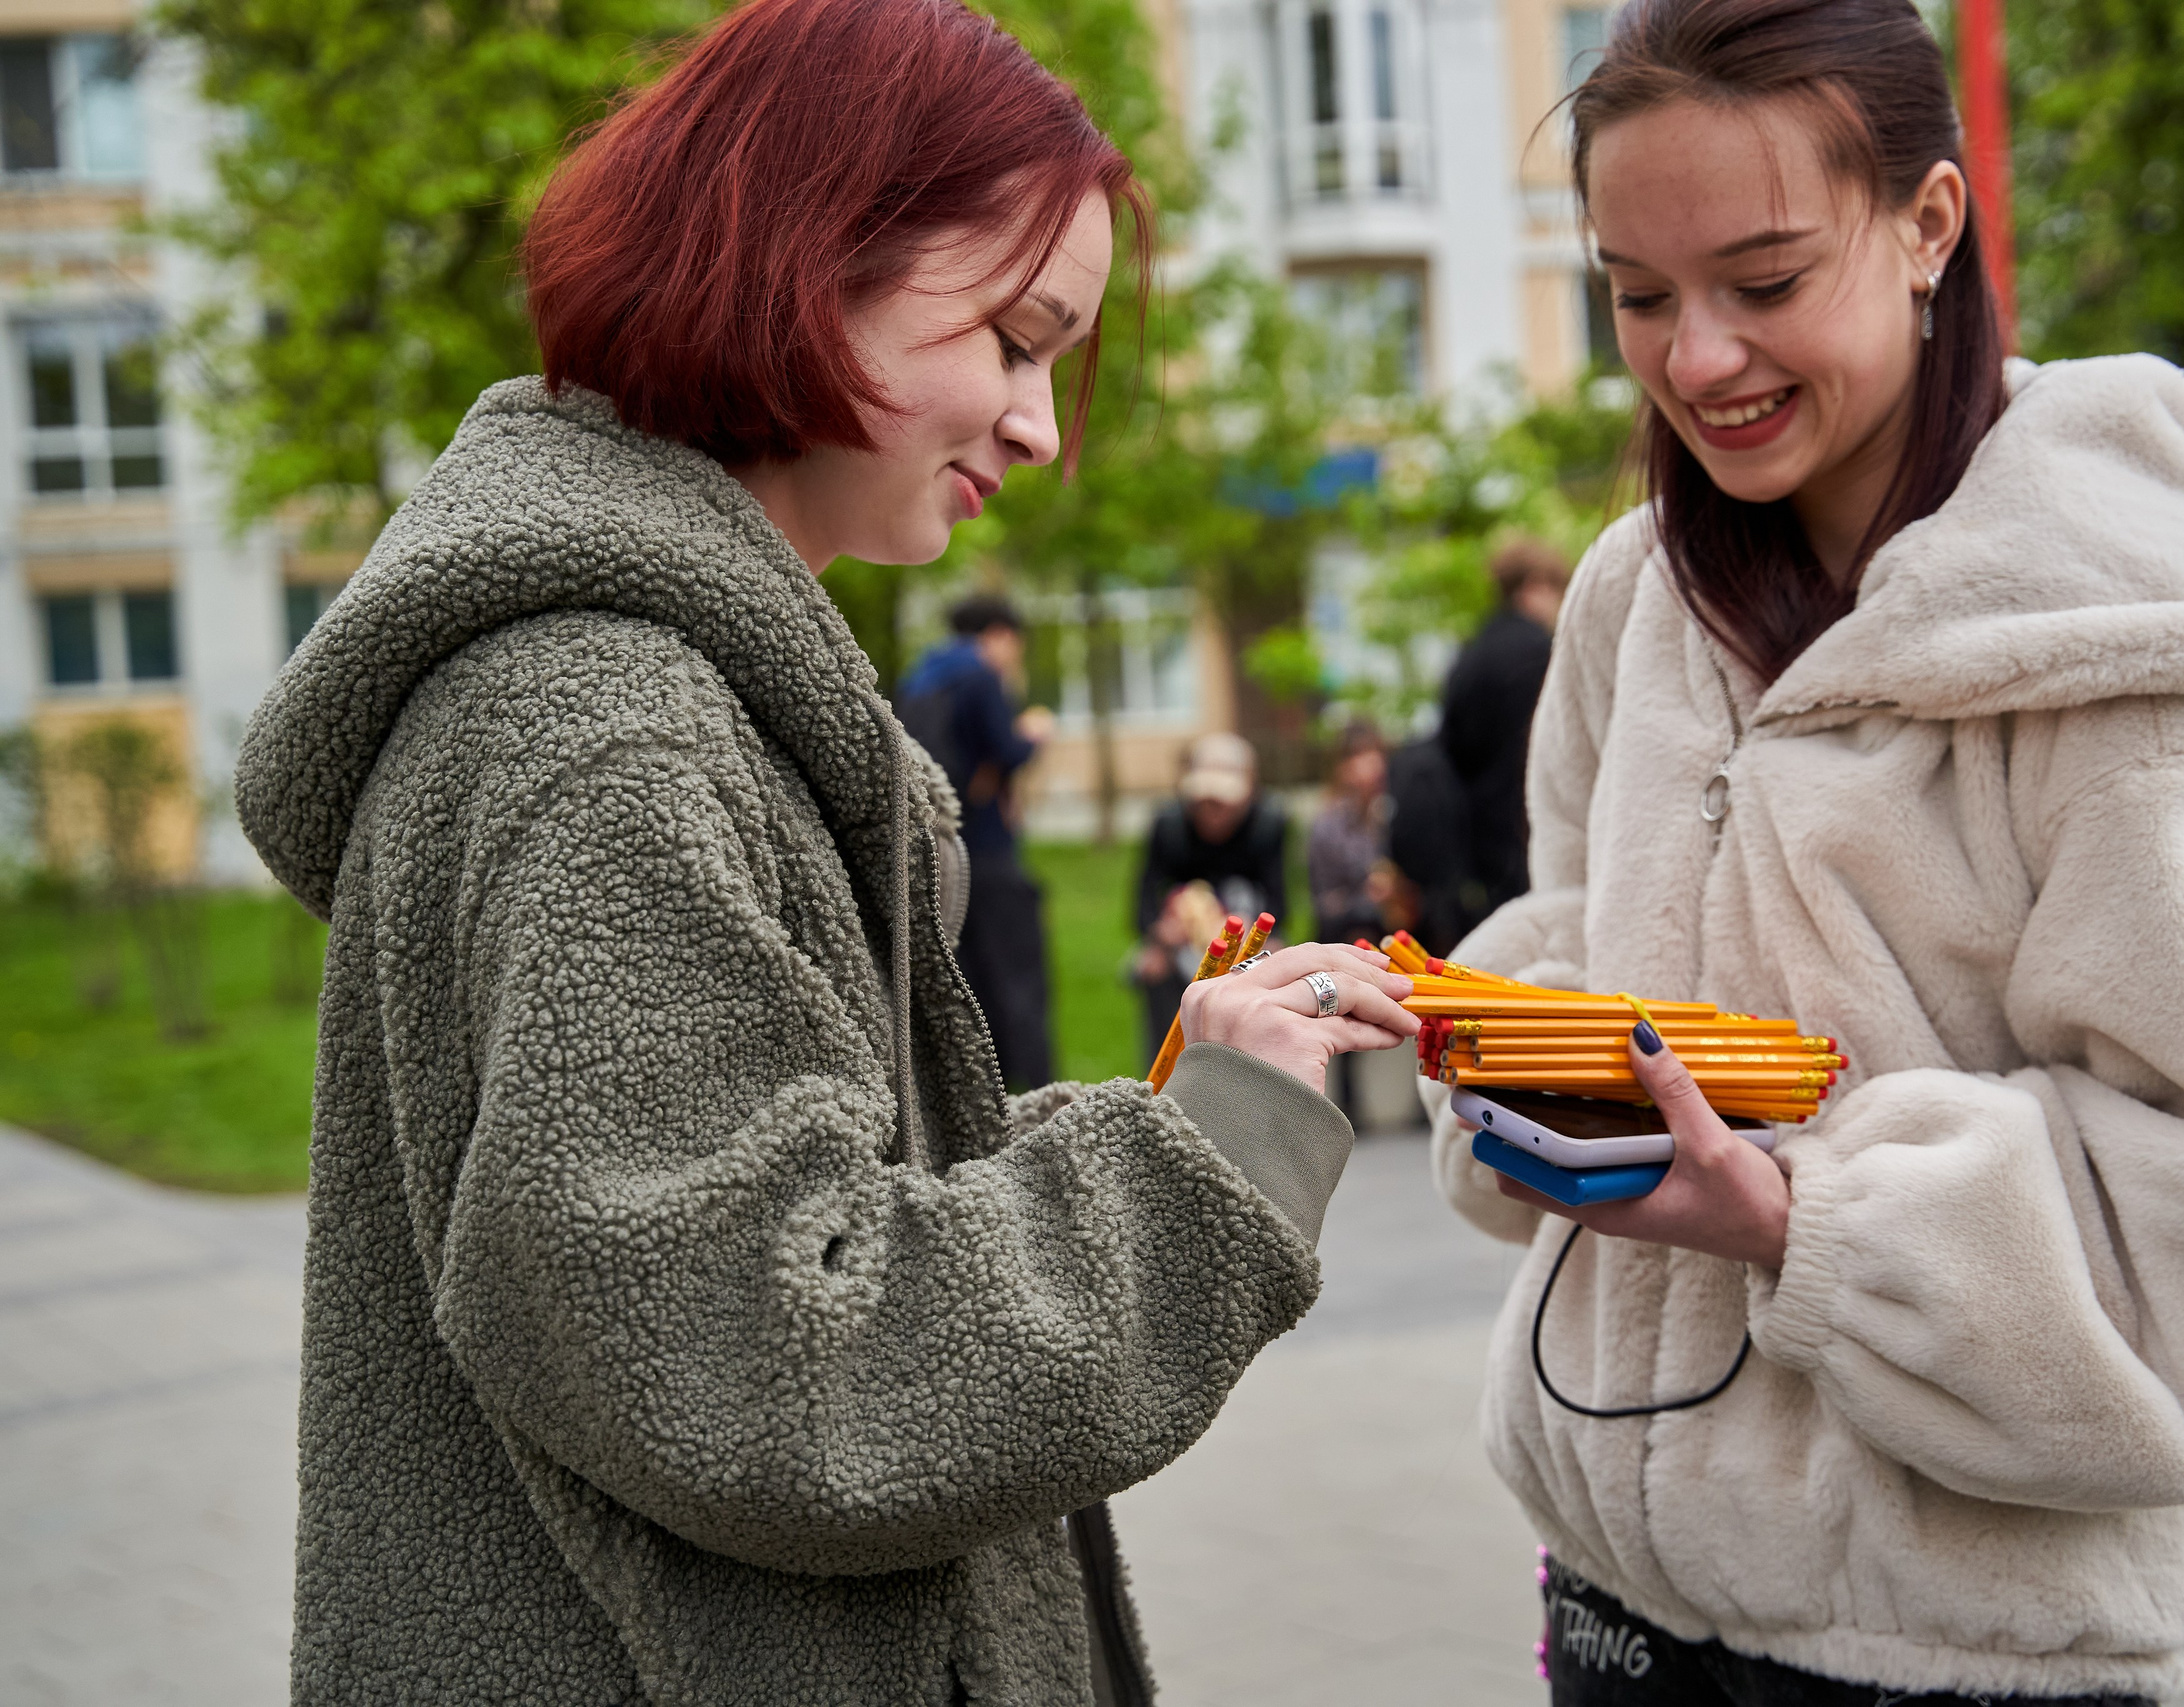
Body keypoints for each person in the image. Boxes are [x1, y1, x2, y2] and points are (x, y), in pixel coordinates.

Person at [228, 3, 1418, 1702]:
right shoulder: (607, 735)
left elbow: (765, 1217)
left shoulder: (665, 693)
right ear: (804, 259)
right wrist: (1206, 1168)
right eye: (1014, 338)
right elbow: (777, 1363)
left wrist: (1175, 1103)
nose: (1041, 426)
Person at [1426, 1, 2184, 1703]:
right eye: (1637, 294)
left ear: (1929, 224)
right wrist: (1475, 1034)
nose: (1697, 358)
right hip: (1620, 1597)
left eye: (1765, 281)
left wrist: (1802, 1215)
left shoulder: (2128, 640)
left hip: (1965, 1646)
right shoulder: (1634, 597)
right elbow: (1574, 931)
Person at [898, 593, 1058, 1088]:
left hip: (944, 848)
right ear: (999, 634)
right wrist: (1033, 734)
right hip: (989, 845)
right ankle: (1034, 1088)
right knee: (1016, 977)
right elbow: (1005, 750)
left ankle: (978, 1082)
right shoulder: (980, 676)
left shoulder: (922, 676)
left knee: (969, 973)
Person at [1131, 732, 1290, 1063]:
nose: (1213, 810)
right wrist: (1159, 933)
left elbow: (1279, 902)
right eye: (1205, 799)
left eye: (1223, 800)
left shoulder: (1268, 826)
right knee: (1151, 970)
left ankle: (1252, 1066)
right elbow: (1143, 896)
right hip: (1181, 941)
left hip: (1246, 937)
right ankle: (1164, 1070)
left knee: (1278, 965)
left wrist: (1259, 930)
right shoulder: (1169, 826)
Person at [1440, 537, 1571, 911]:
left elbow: (1453, 744)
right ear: (1534, 587)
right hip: (1527, 825)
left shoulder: (1471, 651)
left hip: (1477, 829)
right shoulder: (1539, 651)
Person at [1307, 718, 1391, 946]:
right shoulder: (1328, 826)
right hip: (1348, 941)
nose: (1373, 762)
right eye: (1360, 754)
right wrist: (1369, 899)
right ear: (1342, 767)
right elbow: (1324, 905)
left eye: (1377, 752)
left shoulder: (1393, 813)